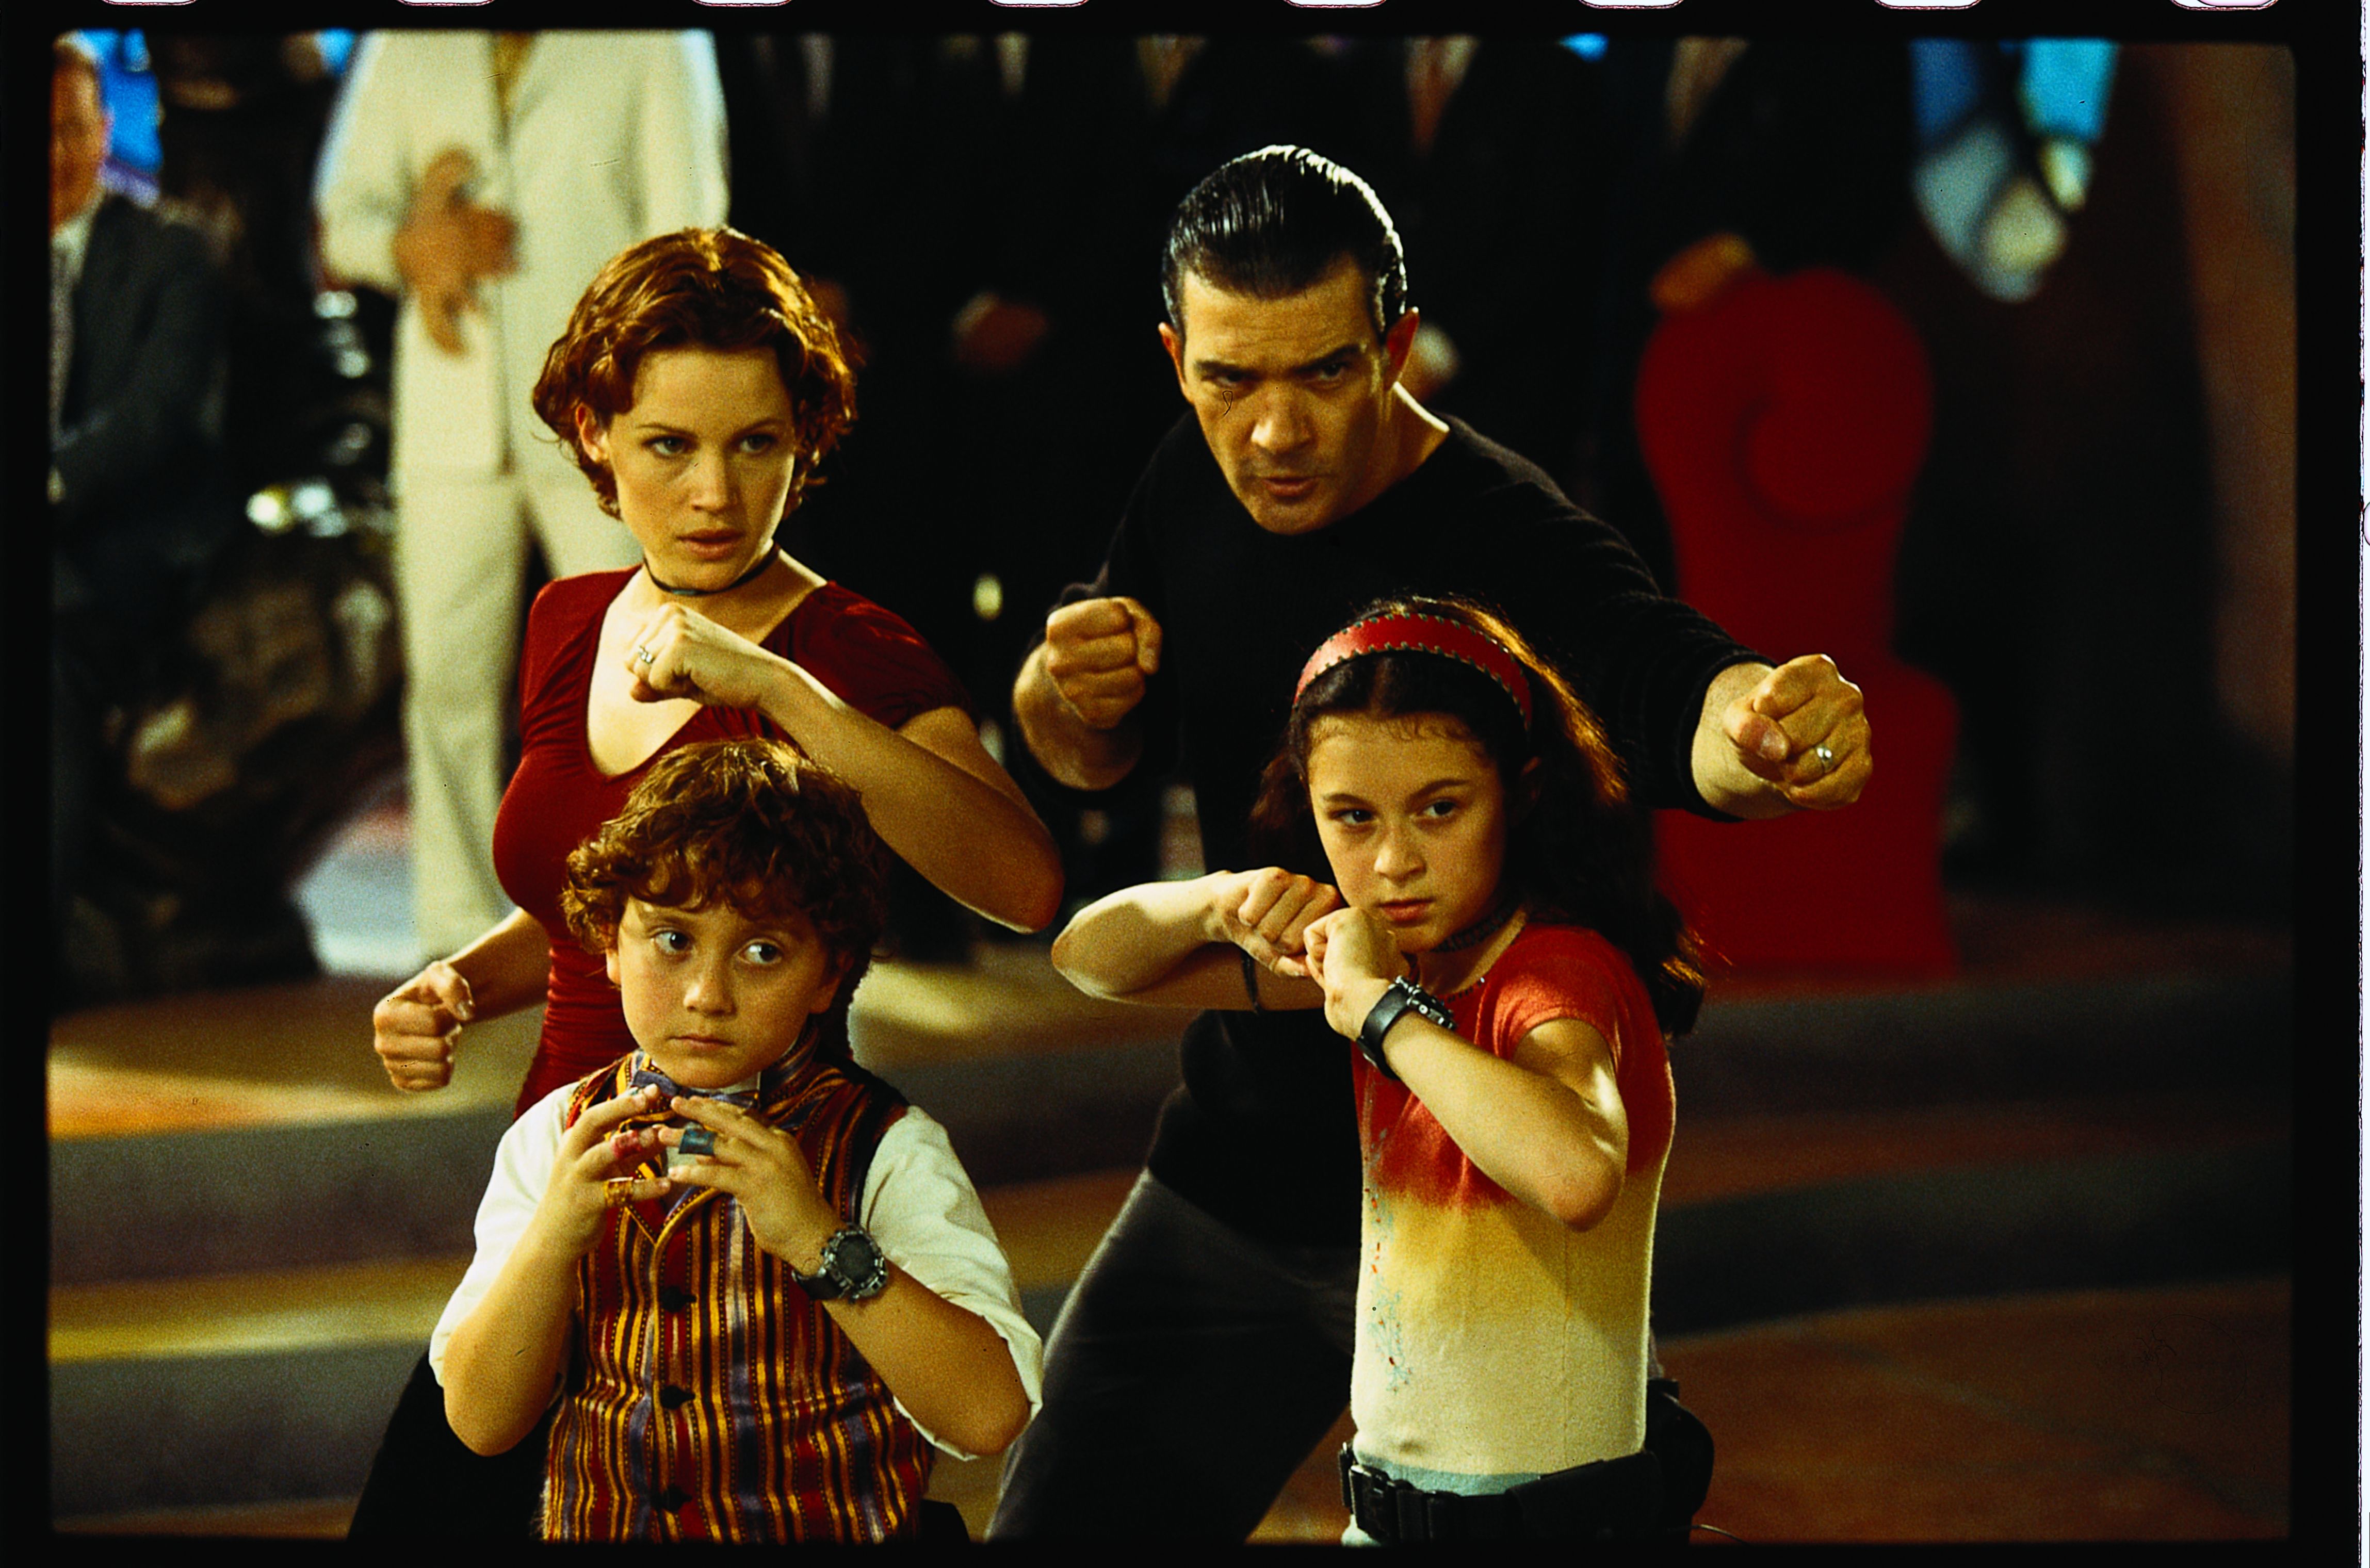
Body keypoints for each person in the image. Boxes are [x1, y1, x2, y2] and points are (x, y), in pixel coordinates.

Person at [994, 145, 1861, 1539]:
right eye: (1230, 380)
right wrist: (1060, 692)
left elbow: (1667, 685)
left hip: (1485, 1201)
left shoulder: (1511, 534)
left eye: (1322, 373)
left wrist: (1759, 726)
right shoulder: (1183, 480)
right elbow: (1089, 763)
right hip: (1247, 1166)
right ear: (1175, 360)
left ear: (1397, 346)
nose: (1273, 430)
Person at [351, 226, 1062, 1536]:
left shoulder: (852, 645)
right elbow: (596, 903)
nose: (715, 494)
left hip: (761, 1183)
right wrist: (459, 981)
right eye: (670, 445)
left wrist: (785, 692)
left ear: (805, 440)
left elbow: (1024, 886)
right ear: (594, 433)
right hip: (565, 1176)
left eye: (756, 445)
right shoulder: (569, 618)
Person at [1049, 597, 1703, 1542]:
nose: (1395, 862)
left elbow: (1575, 1174)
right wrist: (1215, 902)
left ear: (1520, 794)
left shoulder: (1555, 970)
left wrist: (1376, 1011)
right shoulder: (1398, 962)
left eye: (1439, 810)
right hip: (1397, 1514)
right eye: (1352, 818)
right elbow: (1087, 961)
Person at [433, 736, 1041, 1540]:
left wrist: (821, 1243)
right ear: (609, 943)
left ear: (829, 974)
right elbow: (479, 1423)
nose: (706, 995)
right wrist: (552, 1241)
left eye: (761, 952)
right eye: (672, 939)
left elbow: (989, 1416)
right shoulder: (554, 1138)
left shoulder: (886, 1148)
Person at [313, 30, 731, 960]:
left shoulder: (658, 38)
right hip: (450, 404)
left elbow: (690, 240)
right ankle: (455, 931)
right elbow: (343, 217)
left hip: (610, 416)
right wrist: (409, 246)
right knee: (447, 684)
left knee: (636, 679)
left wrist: (657, 400)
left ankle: (644, 919)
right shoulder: (407, 39)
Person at [50, 34, 235, 993]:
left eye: (69, 129)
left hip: (123, 559)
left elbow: (156, 421)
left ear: (103, 132)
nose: (52, 154)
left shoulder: (171, 253)